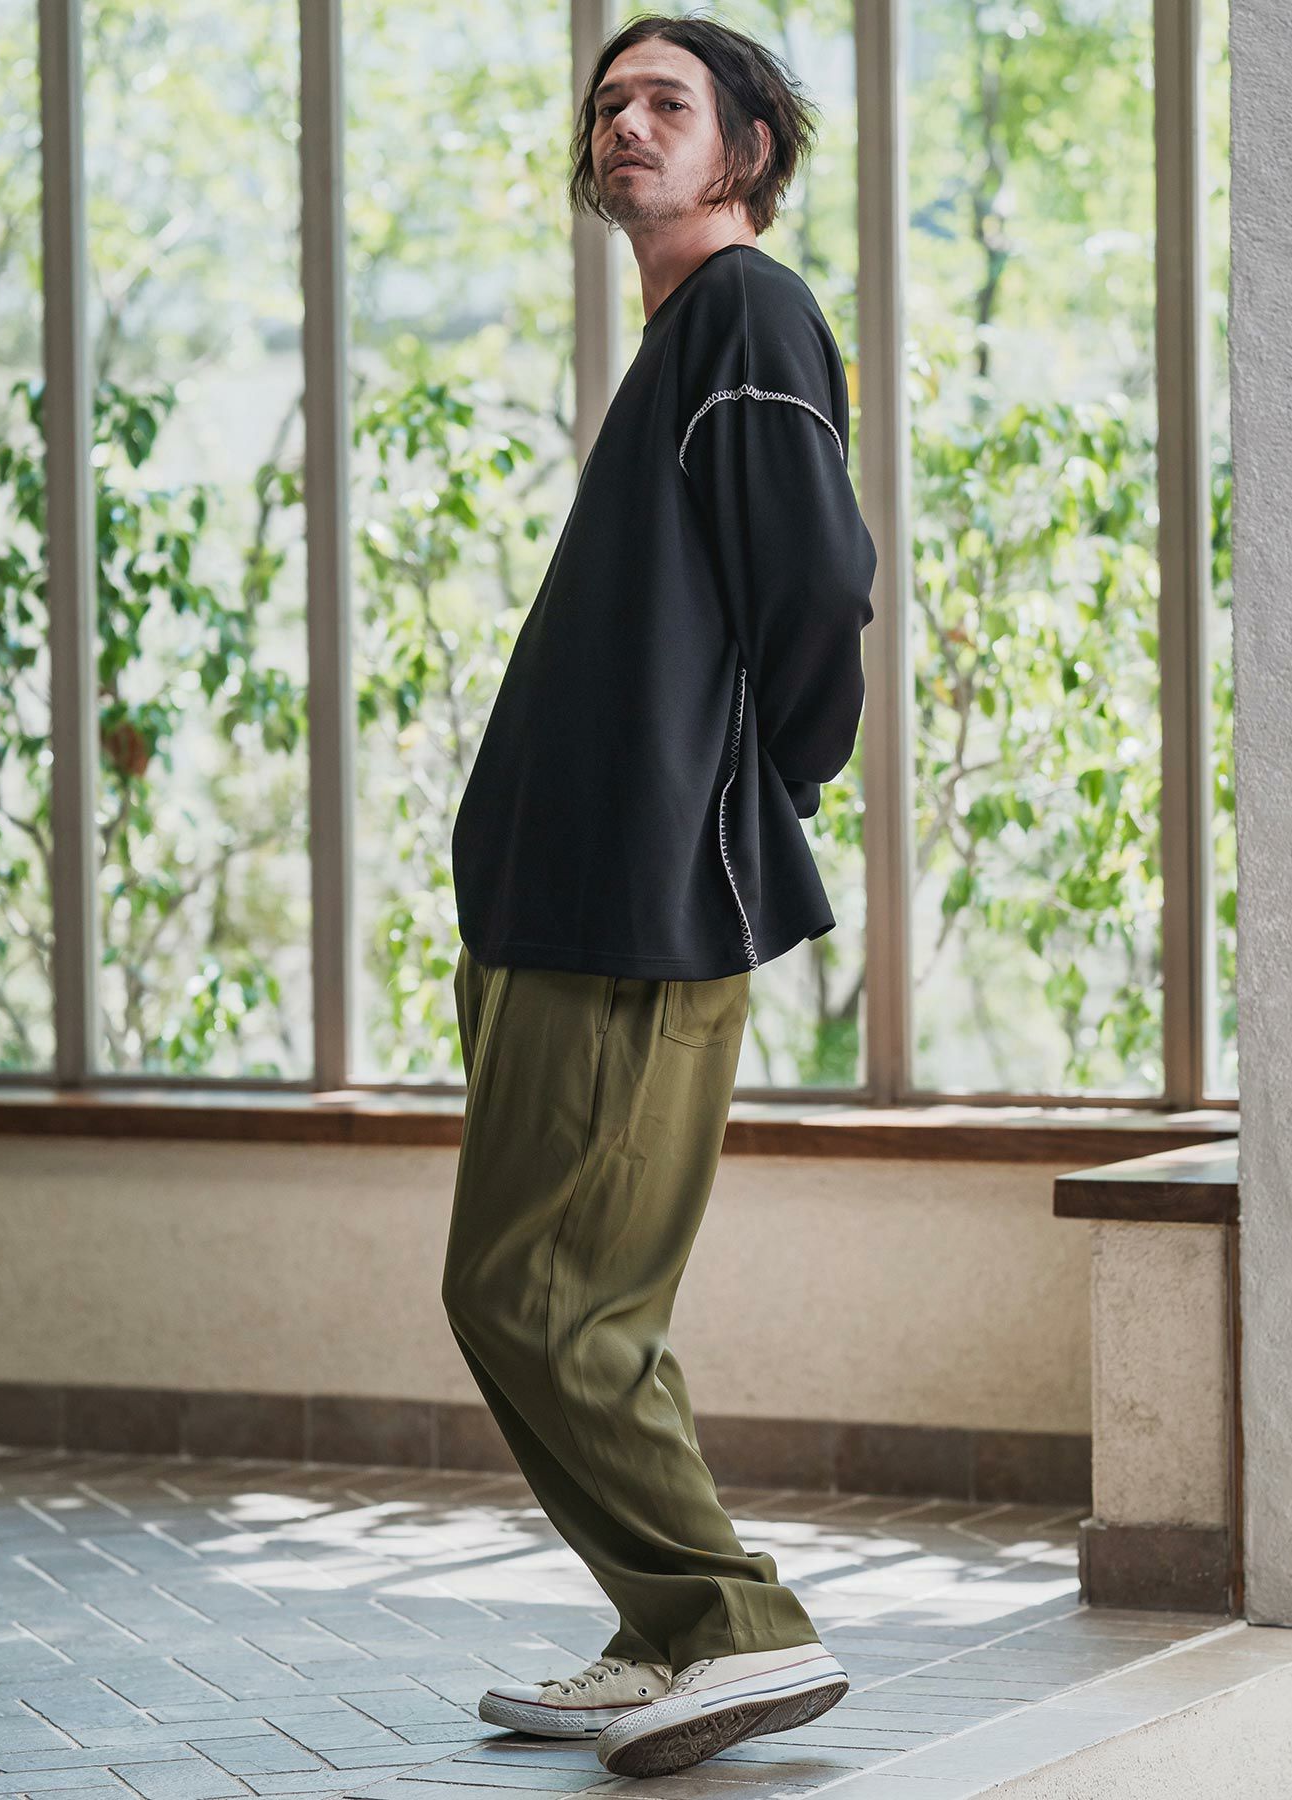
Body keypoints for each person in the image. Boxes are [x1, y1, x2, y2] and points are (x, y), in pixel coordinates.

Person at [442, 12, 877, 1780]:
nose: (625, 121)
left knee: (536, 1294)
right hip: (566, 901)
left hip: (635, 906)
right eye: (609, 101)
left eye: (669, 101)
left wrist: (755, 795)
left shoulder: (748, 311)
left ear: (747, 150)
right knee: (572, 1298)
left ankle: (734, 1626)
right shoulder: (685, 338)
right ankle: (661, 1633)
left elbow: (819, 592)